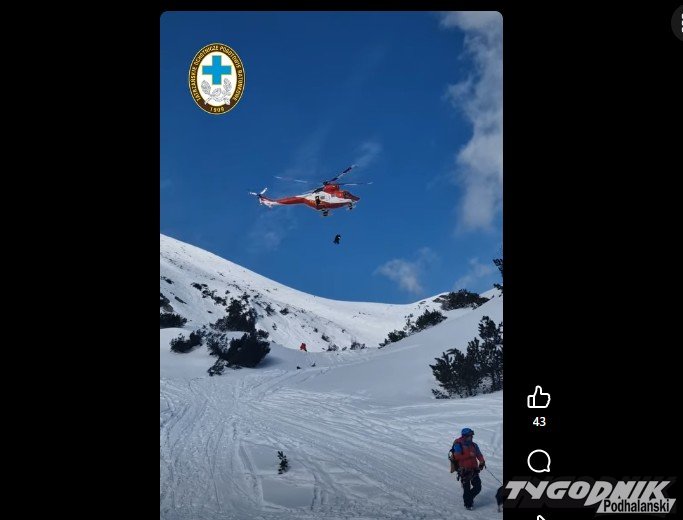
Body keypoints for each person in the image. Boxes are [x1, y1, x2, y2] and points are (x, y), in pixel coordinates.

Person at [450, 427, 486, 510]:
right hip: (464, 470)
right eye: (470, 435)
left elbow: (479, 454)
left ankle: (468, 498)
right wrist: (469, 455)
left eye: (472, 435)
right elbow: (456, 456)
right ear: (465, 436)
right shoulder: (458, 444)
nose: (472, 437)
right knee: (466, 488)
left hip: (474, 469)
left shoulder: (474, 445)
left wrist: (482, 462)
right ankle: (468, 504)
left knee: (478, 487)